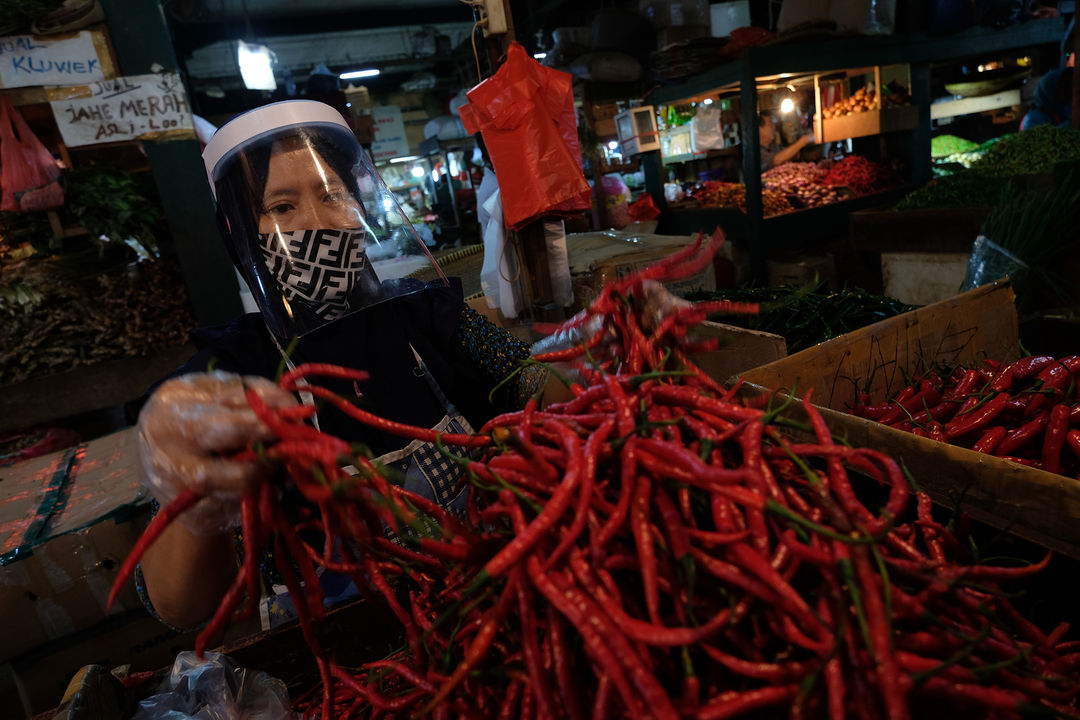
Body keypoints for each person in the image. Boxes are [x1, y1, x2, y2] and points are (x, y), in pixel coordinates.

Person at [135, 100, 685, 632]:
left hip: (495, 603)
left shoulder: (423, 313)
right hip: (346, 650)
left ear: (357, 207)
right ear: (240, 233)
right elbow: (181, 608)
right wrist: (190, 502)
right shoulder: (228, 373)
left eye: (332, 195)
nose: (316, 224)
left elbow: (535, 387)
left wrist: (589, 344)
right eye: (281, 208)